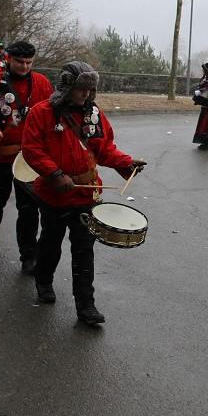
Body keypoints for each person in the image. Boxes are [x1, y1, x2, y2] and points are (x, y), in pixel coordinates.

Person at [21, 62, 145, 325]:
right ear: (68, 87)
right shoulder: (41, 113)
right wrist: (54, 174)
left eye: (91, 90)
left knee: (83, 250)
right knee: (50, 243)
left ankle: (86, 306)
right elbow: (32, 150)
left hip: (86, 196)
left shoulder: (93, 114)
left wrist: (126, 163)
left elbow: (105, 149)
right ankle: (44, 282)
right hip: (54, 196)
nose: (86, 95)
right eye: (81, 90)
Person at [0, 42, 53, 267]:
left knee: (29, 210)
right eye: (20, 62)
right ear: (9, 59)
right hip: (1, 156)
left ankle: (28, 256)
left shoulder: (42, 83)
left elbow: (50, 116)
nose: (25, 67)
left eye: (29, 63)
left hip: (29, 160)